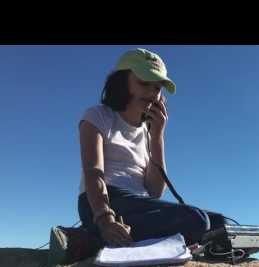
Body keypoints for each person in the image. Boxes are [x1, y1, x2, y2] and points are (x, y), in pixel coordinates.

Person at [74, 48, 210, 253]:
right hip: (102, 202)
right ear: (121, 83)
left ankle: (102, 239)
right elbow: (93, 172)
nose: (152, 93)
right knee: (197, 220)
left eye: (157, 88)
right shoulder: (98, 116)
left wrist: (157, 135)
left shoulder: (147, 131)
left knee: (218, 224)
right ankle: (94, 237)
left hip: (139, 204)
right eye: (143, 83)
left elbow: (154, 190)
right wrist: (104, 218)